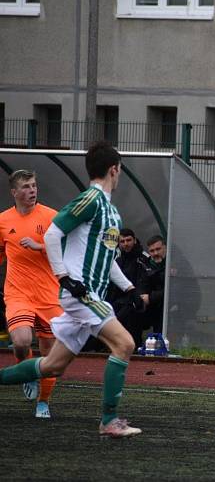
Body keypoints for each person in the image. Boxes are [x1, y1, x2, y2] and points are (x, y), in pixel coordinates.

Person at [0, 141, 143, 438]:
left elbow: (106, 256)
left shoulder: (110, 212)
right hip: (81, 294)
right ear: (113, 169)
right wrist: (65, 278)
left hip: (90, 295)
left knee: (53, 365)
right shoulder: (90, 199)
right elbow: (53, 234)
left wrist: (129, 289)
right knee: (125, 344)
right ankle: (109, 420)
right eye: (120, 171)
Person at [0, 170, 62, 418]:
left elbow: (66, 248)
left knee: (50, 356)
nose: (32, 191)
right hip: (18, 294)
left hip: (49, 295)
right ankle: (24, 370)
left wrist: (40, 246)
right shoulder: (3, 221)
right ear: (14, 192)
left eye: (34, 185)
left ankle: (43, 402)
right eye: (26, 187)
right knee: (22, 342)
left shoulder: (51, 217)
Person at [83, 228, 149, 352]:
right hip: (118, 300)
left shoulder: (143, 259)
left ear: (134, 240)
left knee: (122, 316)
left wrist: (137, 296)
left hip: (134, 301)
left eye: (128, 240)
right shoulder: (117, 259)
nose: (126, 244)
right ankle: (99, 346)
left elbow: (143, 282)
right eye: (122, 241)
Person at [130, 235, 166, 349]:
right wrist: (142, 298)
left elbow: (176, 289)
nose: (155, 253)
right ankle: (135, 349)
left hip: (171, 306)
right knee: (131, 314)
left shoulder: (176, 263)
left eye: (158, 249)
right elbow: (141, 284)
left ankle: (161, 347)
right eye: (152, 251)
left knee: (161, 316)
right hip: (152, 305)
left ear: (165, 247)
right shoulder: (146, 264)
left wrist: (151, 297)